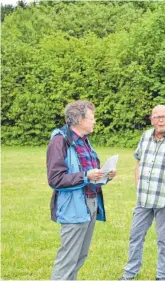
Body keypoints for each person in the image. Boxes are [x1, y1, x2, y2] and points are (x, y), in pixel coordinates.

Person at [47, 100, 117, 280]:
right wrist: (86, 176)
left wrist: (104, 176)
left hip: (91, 204)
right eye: (92, 118)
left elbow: (91, 174)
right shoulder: (59, 141)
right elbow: (55, 179)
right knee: (67, 260)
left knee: (79, 257)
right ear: (78, 119)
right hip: (73, 208)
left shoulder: (85, 141)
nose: (94, 121)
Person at [120, 105, 165, 281]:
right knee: (135, 236)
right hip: (143, 199)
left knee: (164, 241)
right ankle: (130, 273)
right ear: (152, 119)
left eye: (164, 116)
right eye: (157, 117)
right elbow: (138, 162)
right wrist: (138, 185)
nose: (160, 120)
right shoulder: (146, 136)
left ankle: (162, 276)